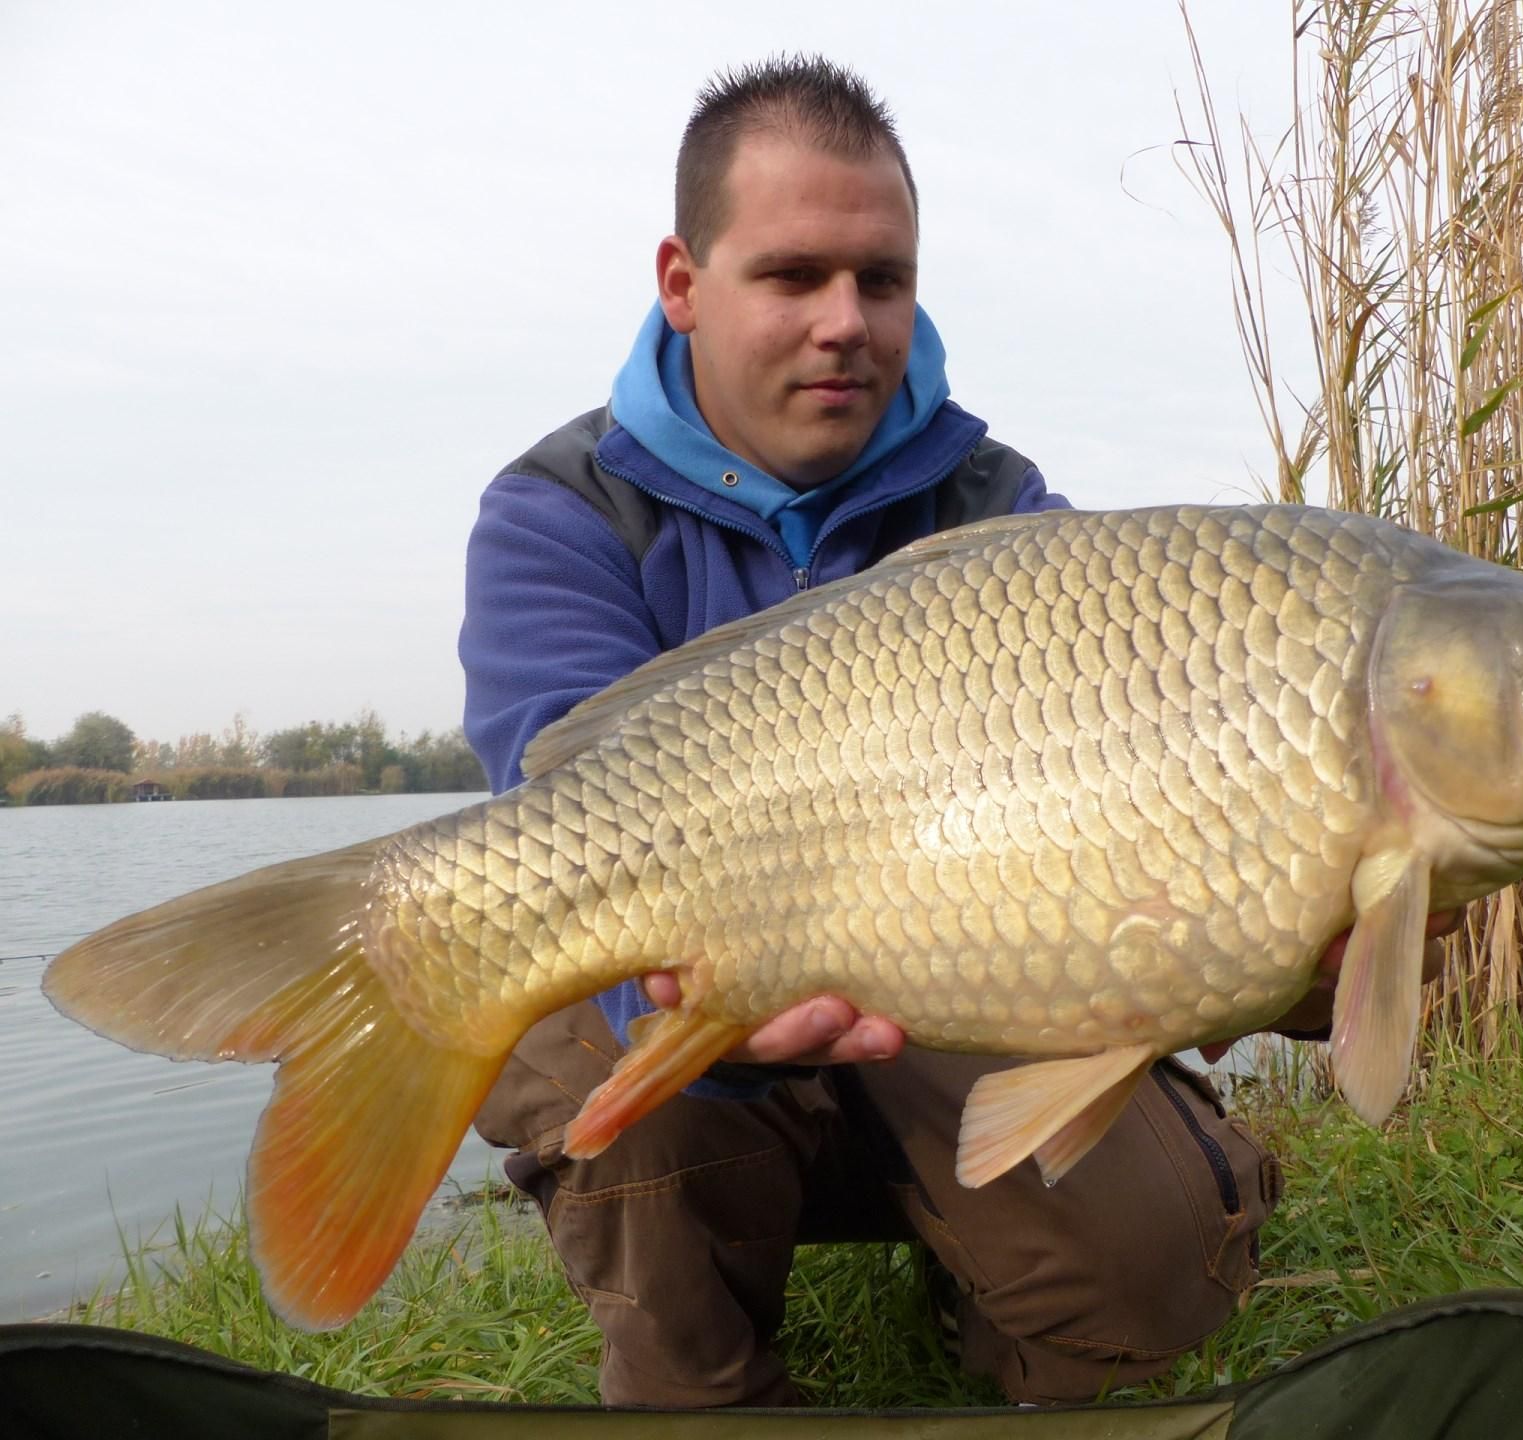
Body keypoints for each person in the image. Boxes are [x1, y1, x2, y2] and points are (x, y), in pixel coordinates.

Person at [459, 55, 1436, 1410]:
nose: (847, 322)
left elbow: (1149, 812)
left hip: (950, 1001)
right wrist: (704, 1024)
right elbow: (545, 795)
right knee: (588, 1018)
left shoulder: (997, 505)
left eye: (883, 278)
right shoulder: (562, 512)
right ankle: (701, 1389)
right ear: (683, 283)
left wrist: (1267, 949)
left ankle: (1017, 1311)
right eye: (793, 276)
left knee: (1154, 1255)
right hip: (693, 1003)